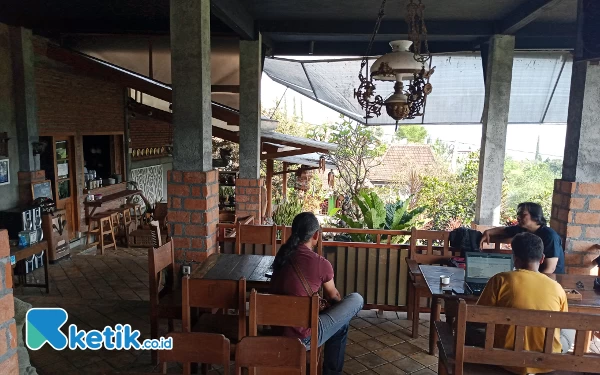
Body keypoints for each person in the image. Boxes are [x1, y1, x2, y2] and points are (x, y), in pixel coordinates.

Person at [269, 212, 364, 375]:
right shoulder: (321, 264)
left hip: (276, 330)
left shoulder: (280, 257)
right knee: (355, 300)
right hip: (302, 337)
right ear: (316, 235)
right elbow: (334, 297)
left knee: (340, 324)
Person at [473, 232, 573, 375]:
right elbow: (562, 323)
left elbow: (478, 319)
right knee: (570, 330)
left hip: (506, 359)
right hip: (546, 362)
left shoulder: (499, 280)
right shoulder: (557, 287)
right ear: (542, 259)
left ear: (515, 260)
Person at [480, 202, 565, 274]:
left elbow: (549, 269)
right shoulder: (523, 229)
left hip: (550, 281)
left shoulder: (550, 236)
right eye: (518, 214)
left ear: (535, 216)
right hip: (530, 276)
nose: (518, 217)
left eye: (522, 214)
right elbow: (505, 230)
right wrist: (488, 232)